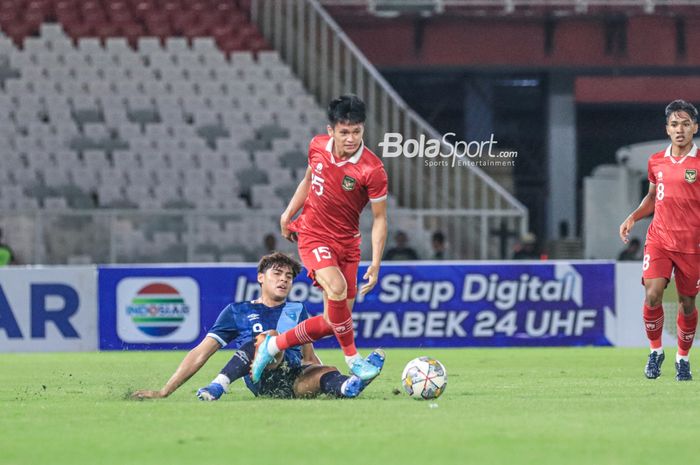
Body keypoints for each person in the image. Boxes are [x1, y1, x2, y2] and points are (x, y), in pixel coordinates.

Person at [250, 95, 388, 383]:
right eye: (344, 132)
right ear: (331, 131)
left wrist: (375, 263)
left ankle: (272, 345)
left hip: (348, 244)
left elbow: (379, 219)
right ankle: (354, 360)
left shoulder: (372, 170)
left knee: (332, 322)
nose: (351, 139)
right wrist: (288, 213)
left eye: (357, 131)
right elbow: (308, 180)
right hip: (314, 235)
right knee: (336, 288)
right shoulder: (316, 146)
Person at [131, 253, 384, 400]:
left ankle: (348, 385)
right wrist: (164, 391)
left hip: (292, 381)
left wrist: (320, 372)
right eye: (277, 274)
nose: (284, 279)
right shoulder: (236, 311)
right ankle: (220, 383)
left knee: (327, 370)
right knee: (270, 337)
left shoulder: (297, 309)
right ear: (261, 277)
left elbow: (308, 356)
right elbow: (201, 352)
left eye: (289, 277)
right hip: (261, 379)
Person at [619, 99, 700, 382]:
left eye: (686, 124)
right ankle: (655, 352)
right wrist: (633, 216)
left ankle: (683, 358)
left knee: (687, 303)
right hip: (660, 239)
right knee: (652, 294)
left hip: (692, 245)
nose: (680, 130)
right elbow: (653, 197)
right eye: (675, 124)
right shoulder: (656, 161)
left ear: (695, 128)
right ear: (667, 129)